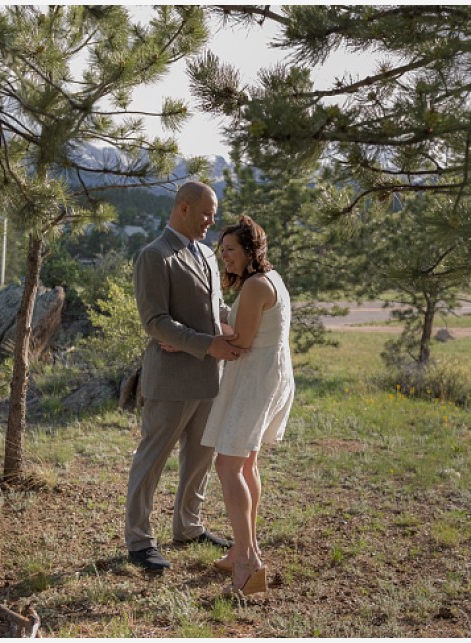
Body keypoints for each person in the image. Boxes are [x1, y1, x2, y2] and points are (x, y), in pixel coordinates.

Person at [126, 181, 248, 572]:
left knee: (200, 458)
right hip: (171, 380)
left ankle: (189, 526)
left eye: (214, 214)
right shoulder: (154, 256)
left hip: (210, 377)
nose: (212, 221)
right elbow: (155, 322)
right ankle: (140, 540)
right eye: (206, 213)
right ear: (183, 207)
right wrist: (207, 343)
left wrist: (249, 323)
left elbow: (216, 310)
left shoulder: (207, 256)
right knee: (152, 459)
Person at [201, 215, 295, 596]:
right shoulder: (270, 280)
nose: (226, 257)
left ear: (251, 250)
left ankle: (248, 565)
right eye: (222, 251)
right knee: (247, 462)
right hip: (265, 375)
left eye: (232, 250)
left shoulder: (256, 286)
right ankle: (243, 546)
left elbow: (240, 340)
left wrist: (198, 335)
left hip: (256, 380)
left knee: (228, 465)